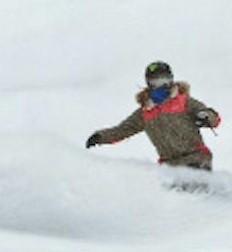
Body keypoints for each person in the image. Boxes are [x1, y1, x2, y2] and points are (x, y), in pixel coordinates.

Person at [85, 60, 222, 171]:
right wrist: (100, 137)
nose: (161, 86)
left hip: (196, 159)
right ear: (149, 84)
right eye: (156, 82)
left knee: (196, 194)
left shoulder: (184, 102)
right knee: (177, 201)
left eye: (164, 81)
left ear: (171, 81)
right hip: (169, 167)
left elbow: (212, 117)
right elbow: (122, 130)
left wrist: (205, 117)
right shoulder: (145, 113)